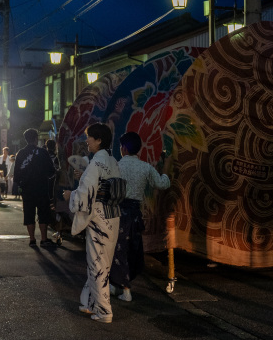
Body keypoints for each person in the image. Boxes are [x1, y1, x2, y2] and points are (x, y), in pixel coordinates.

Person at [64, 123, 125, 323]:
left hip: (98, 218)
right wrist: (84, 178)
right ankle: (89, 303)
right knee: (102, 262)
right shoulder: (112, 161)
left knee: (98, 264)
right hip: (113, 216)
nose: (87, 141)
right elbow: (104, 186)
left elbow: (84, 197)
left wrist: (69, 195)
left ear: (99, 140)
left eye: (89, 137)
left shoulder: (95, 164)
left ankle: (104, 311)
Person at [112, 132, 171, 302]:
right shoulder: (146, 167)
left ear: (123, 148)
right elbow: (162, 184)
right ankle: (122, 285)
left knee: (118, 250)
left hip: (118, 213)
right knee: (132, 250)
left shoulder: (116, 166)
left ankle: (124, 289)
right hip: (136, 215)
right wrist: (165, 167)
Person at [14, 129, 57, 247]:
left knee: (29, 213)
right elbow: (51, 171)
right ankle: (44, 239)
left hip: (27, 188)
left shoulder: (21, 153)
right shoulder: (43, 152)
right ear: (35, 139)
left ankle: (32, 239)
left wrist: (21, 183)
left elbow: (16, 174)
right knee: (43, 213)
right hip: (42, 187)